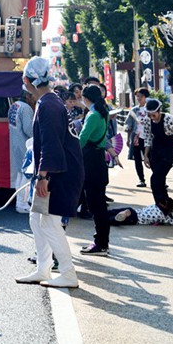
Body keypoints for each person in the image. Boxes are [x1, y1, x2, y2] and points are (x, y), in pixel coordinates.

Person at [16, 57, 84, 289]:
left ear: (27, 80)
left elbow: (51, 145)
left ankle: (68, 272)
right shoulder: (51, 102)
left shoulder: (47, 106)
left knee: (50, 223)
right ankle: (43, 268)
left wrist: (43, 177)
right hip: (60, 170)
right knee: (37, 219)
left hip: (58, 173)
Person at [77, 85, 111, 256]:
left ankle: (100, 243)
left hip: (90, 161)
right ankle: (101, 241)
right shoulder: (103, 112)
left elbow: (82, 140)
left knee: (95, 204)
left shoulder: (92, 115)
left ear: (85, 98)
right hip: (99, 160)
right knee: (99, 204)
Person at [141, 98, 173, 206]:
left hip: (169, 151)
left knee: (155, 180)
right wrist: (146, 155)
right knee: (160, 181)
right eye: (149, 115)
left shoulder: (169, 119)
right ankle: (164, 206)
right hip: (155, 150)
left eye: (154, 115)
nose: (152, 118)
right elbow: (147, 137)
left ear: (159, 111)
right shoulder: (147, 121)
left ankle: (161, 205)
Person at [9, 91, 35, 214]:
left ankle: (19, 202)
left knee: (20, 174)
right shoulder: (26, 108)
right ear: (28, 96)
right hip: (25, 145)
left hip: (15, 143)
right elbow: (29, 130)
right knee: (26, 175)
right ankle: (22, 204)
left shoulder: (15, 105)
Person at [125, 88, 151, 188]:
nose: (138, 98)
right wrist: (128, 139)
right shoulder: (134, 110)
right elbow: (129, 125)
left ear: (145, 97)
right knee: (137, 159)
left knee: (151, 158)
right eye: (137, 96)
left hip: (148, 137)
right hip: (136, 137)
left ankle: (159, 179)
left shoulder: (150, 108)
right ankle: (141, 179)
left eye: (140, 96)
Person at [108, 197, 173, 226]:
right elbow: (172, 222)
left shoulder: (154, 206)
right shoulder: (162, 217)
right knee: (111, 220)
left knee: (111, 212)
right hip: (135, 219)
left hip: (132, 211)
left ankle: (124, 213)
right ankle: (117, 218)